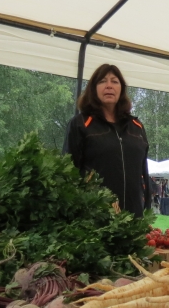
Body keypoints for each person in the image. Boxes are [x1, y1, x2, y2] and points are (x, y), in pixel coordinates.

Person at [63, 63, 152, 218]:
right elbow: (69, 173)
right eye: (103, 81)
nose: (109, 86)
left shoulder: (136, 127)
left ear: (121, 89)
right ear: (93, 88)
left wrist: (147, 207)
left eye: (114, 81)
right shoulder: (81, 124)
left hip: (134, 217)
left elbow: (143, 172)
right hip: (96, 218)